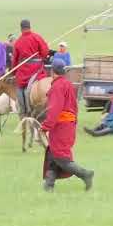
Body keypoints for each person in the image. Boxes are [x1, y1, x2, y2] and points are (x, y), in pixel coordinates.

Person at [41, 58, 94, 192]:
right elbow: (74, 107)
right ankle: (49, 186)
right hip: (68, 125)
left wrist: (46, 126)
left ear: (52, 71)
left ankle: (85, 174)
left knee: (60, 156)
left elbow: (54, 109)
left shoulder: (57, 87)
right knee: (53, 155)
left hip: (61, 126)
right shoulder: (68, 84)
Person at [12, 19, 49, 115]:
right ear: (30, 26)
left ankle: (24, 110)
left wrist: (13, 71)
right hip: (38, 68)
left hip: (24, 70)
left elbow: (15, 60)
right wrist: (40, 57)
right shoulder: (37, 37)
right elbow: (45, 52)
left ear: (21, 28)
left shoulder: (18, 42)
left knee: (20, 86)